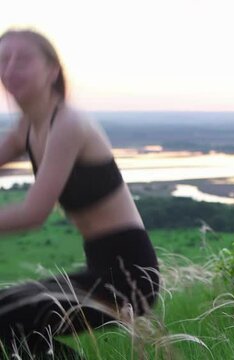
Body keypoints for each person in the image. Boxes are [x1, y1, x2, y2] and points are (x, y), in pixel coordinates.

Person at [0, 29, 160, 358]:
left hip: (130, 279)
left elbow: (34, 213)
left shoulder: (68, 124)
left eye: (23, 59)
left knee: (5, 318)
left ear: (53, 70)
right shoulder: (27, 127)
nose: (10, 68)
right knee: (7, 318)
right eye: (3, 60)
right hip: (98, 270)